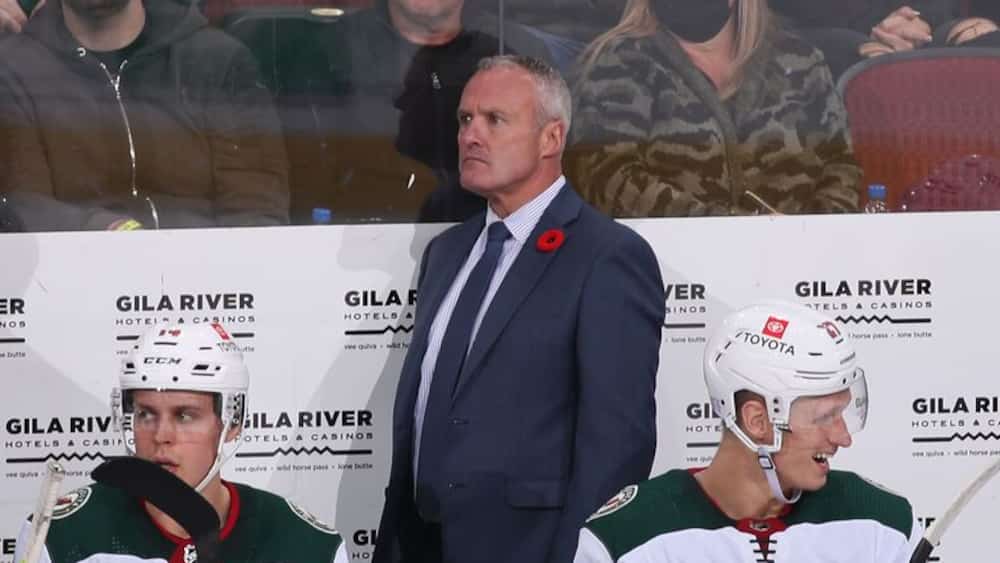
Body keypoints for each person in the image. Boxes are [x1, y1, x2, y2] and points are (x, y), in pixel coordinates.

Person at [373, 55, 665, 563]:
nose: (470, 135)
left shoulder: (607, 257)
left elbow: (618, 444)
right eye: (465, 119)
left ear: (551, 138)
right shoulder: (447, 254)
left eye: (495, 120)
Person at [575, 301, 923, 562]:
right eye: (824, 417)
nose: (843, 437)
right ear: (757, 420)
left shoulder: (884, 523)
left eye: (843, 412)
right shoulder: (625, 538)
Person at [13, 323, 348, 563]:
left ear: (232, 423)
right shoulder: (61, 534)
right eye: (146, 414)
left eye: (185, 416)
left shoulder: (307, 544)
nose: (162, 435)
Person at [0, 0, 289, 231]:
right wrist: (112, 234)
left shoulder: (218, 60)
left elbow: (257, 208)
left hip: (208, 274)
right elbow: (26, 207)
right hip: (76, 274)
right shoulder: (13, 70)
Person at [568, 0, 862, 217]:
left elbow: (842, 166)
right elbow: (606, 178)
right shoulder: (619, 62)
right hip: (671, 266)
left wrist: (809, 236)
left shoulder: (801, 64)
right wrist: (728, 227)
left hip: (795, 265)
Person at [281, 0, 551, 224]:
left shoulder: (518, 53)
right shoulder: (328, 52)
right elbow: (306, 184)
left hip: (494, 244)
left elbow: (544, 185)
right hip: (357, 244)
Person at [770, 1, 1000, 78]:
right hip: (803, 34)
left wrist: (921, 20)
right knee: (874, 63)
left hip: (914, 23)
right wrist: (875, 34)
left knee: (980, 34)